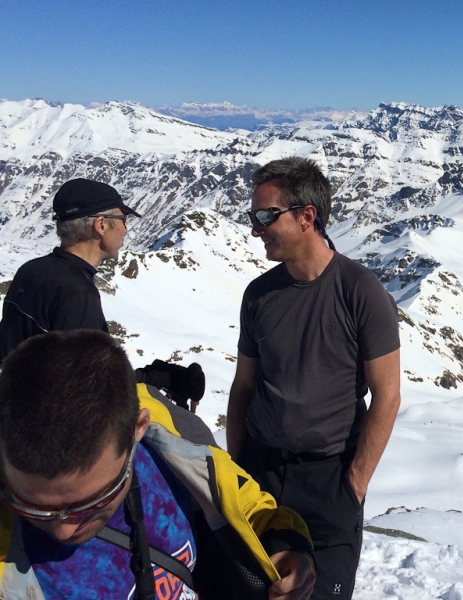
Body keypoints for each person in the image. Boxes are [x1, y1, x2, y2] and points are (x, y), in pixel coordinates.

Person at [0, 329, 315, 599]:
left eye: (94, 501)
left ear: (137, 430)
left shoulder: (172, 442)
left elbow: (245, 504)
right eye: (32, 507)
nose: (64, 529)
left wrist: (288, 546)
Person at [227, 157, 401, 600]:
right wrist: (240, 466)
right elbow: (244, 387)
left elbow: (387, 394)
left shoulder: (360, 291)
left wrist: (355, 483)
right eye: (254, 217)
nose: (256, 229)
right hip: (261, 473)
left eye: (266, 216)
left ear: (307, 216)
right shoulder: (259, 295)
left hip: (329, 481)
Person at [0, 178, 138, 363]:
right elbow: (80, 381)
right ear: (101, 225)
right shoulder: (78, 295)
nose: (126, 229)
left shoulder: (31, 270)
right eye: (123, 220)